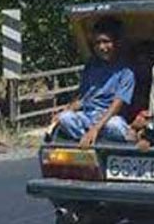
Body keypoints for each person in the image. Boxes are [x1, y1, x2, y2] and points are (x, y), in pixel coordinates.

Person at [56, 17, 135, 148]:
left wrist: (96, 128)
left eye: (106, 42)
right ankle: (88, 140)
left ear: (116, 43)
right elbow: (83, 98)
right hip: (88, 116)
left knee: (115, 125)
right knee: (65, 118)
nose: (102, 47)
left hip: (109, 118)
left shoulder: (126, 71)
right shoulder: (91, 66)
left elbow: (117, 104)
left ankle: (91, 137)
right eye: (98, 43)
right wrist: (66, 110)